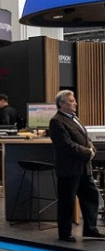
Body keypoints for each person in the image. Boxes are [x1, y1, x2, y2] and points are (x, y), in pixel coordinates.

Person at [48, 90, 105, 241]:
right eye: (72, 101)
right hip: (69, 169)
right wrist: (87, 152)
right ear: (62, 104)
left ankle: (90, 229)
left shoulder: (74, 118)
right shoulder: (56, 121)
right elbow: (66, 145)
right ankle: (65, 233)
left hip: (83, 167)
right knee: (67, 202)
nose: (75, 103)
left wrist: (91, 148)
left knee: (91, 196)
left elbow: (85, 138)